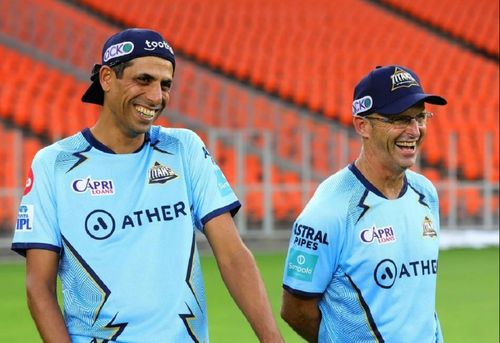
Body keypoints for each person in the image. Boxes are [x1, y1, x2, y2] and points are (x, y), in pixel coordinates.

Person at [11, 28, 283, 343]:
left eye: (165, 84)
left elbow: (233, 255)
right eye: (143, 80)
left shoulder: (184, 148)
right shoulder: (54, 164)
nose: (156, 97)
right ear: (107, 78)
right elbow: (39, 288)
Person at [280, 65, 447, 342]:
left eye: (420, 117)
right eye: (400, 119)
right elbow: (295, 308)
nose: (414, 130)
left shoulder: (425, 192)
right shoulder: (330, 209)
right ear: (363, 125)